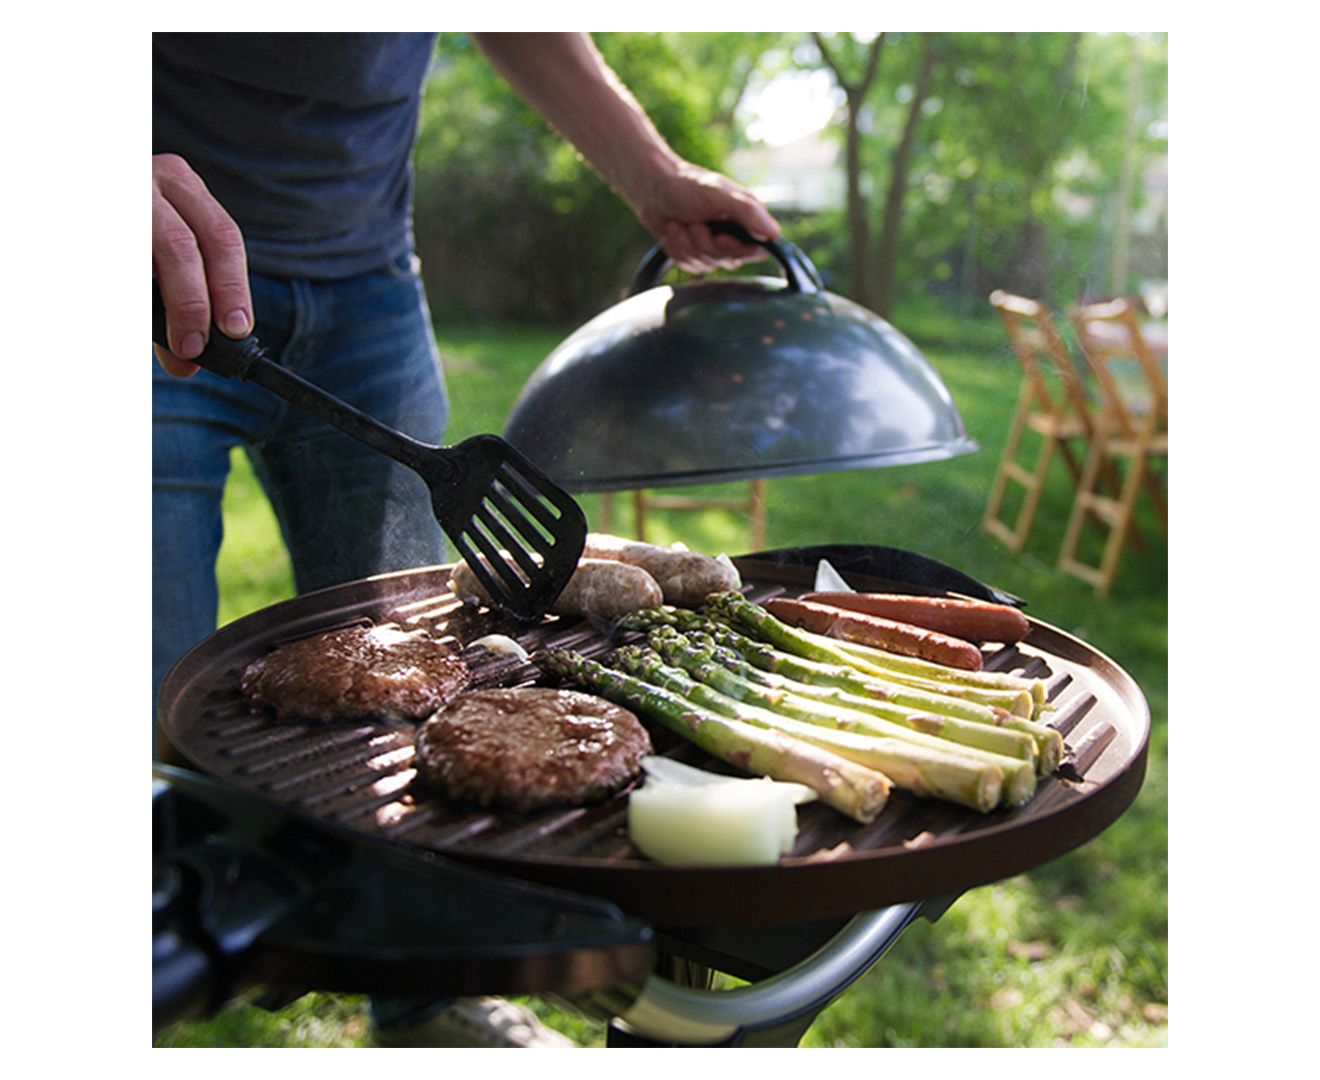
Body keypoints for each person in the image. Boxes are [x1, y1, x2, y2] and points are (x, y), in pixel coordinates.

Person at [152, 32, 780, 1048]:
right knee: (140, 733)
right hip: (140, 259)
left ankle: (426, 1005)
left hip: (366, 284)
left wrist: (652, 173)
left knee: (414, 651)